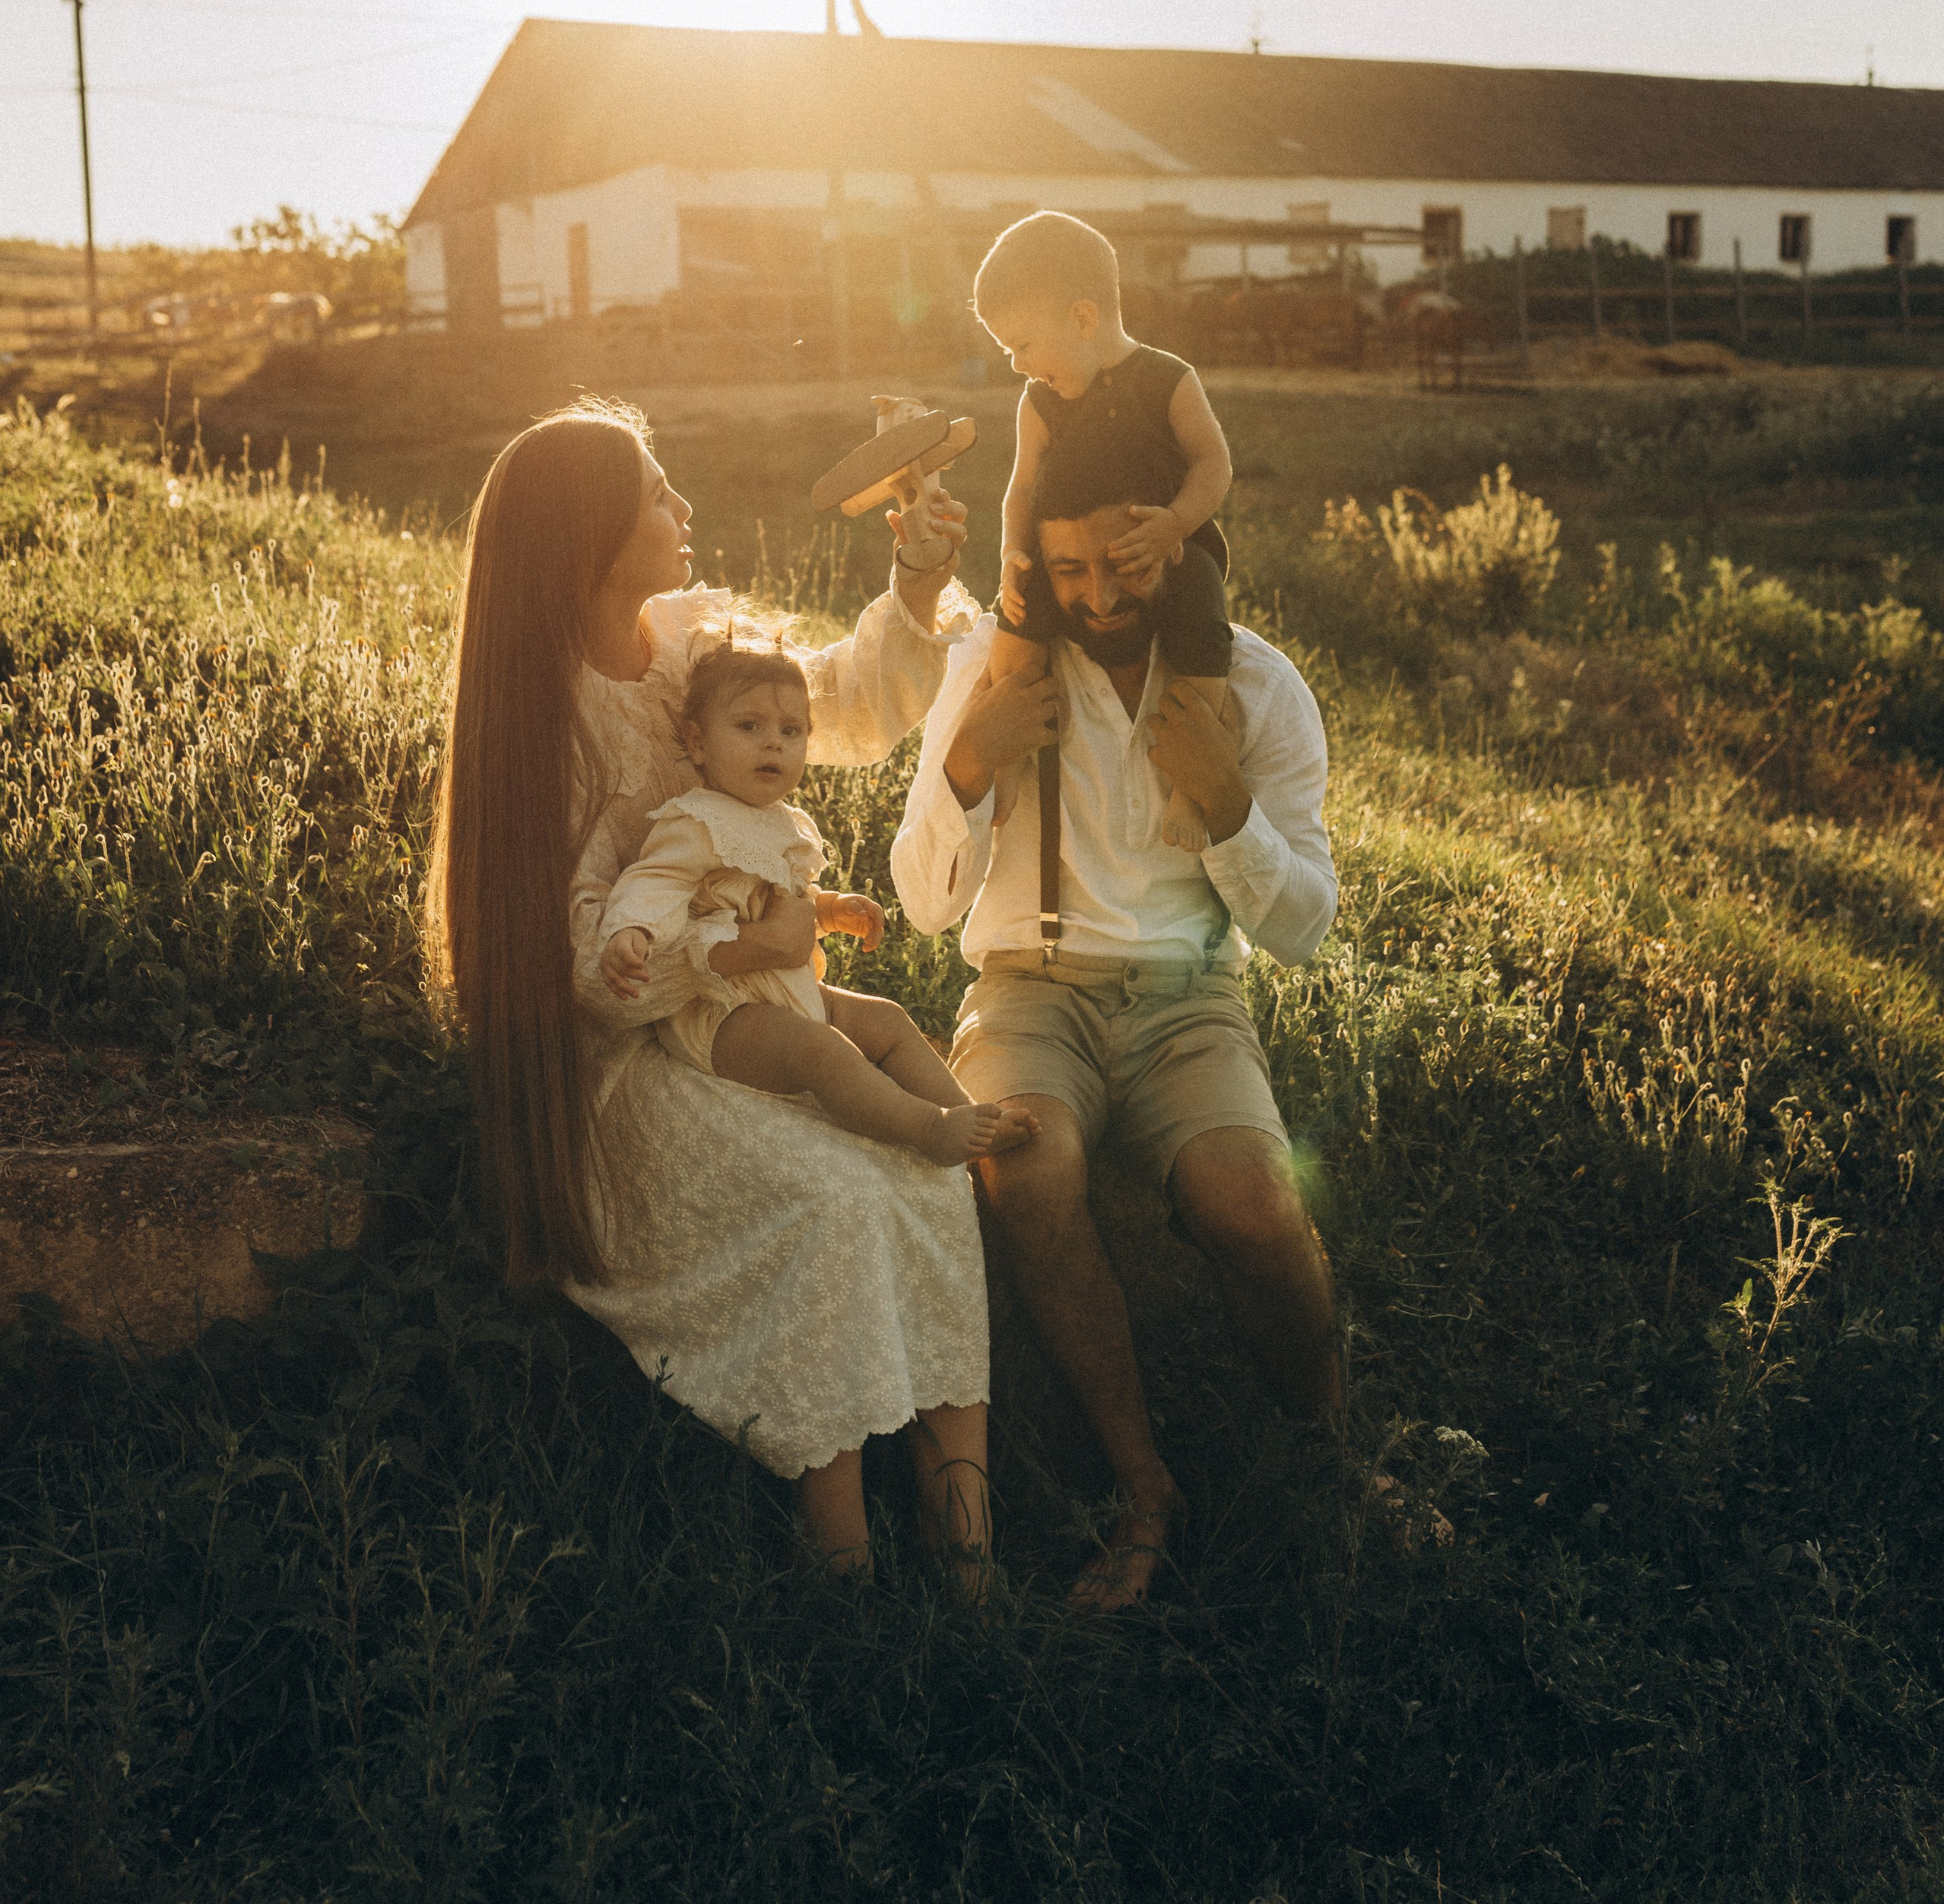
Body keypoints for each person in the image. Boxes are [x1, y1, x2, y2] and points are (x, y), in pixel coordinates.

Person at [430, 398, 993, 1587]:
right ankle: (842, 1568)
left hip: (754, 1020)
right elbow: (586, 974)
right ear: (589, 540)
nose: (685, 511)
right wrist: (716, 956)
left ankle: (966, 1541)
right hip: (634, 1064)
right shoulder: (546, 728)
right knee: (836, 1196)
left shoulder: (686, 635)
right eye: (657, 496)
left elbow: (825, 704)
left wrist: (915, 580)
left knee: (924, 1174)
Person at [890, 417, 1340, 1611]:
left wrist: (1229, 808)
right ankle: (1146, 1489)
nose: (1095, 596)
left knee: (1250, 1201)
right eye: (1067, 570)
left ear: (1181, 545)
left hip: (1193, 996)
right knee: (1027, 1165)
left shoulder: (1255, 683)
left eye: (1124, 565)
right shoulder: (992, 665)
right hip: (1027, 991)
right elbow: (925, 905)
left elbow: (1303, 930)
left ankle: (1337, 1438)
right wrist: (970, 767)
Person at [598, 629, 1036, 1166]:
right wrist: (632, 931)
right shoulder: (697, 820)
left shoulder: (782, 823)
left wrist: (829, 909)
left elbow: (785, 897)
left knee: (887, 1020)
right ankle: (929, 1128)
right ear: (697, 742)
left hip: (787, 991)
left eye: (791, 730)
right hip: (724, 1013)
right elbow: (653, 881)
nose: (772, 744)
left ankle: (969, 1116)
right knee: (820, 1051)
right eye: (749, 726)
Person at [973, 210, 1235, 849]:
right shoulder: (1038, 402)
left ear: (1084, 319)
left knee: (1200, 611)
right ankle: (1003, 755)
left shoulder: (1167, 381)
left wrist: (1175, 524)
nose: (1018, 365)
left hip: (1164, 551)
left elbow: (1214, 463)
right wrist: (1011, 550)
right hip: (1068, 559)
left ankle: (1190, 788)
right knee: (1021, 602)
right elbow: (1023, 487)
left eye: (1023, 346)